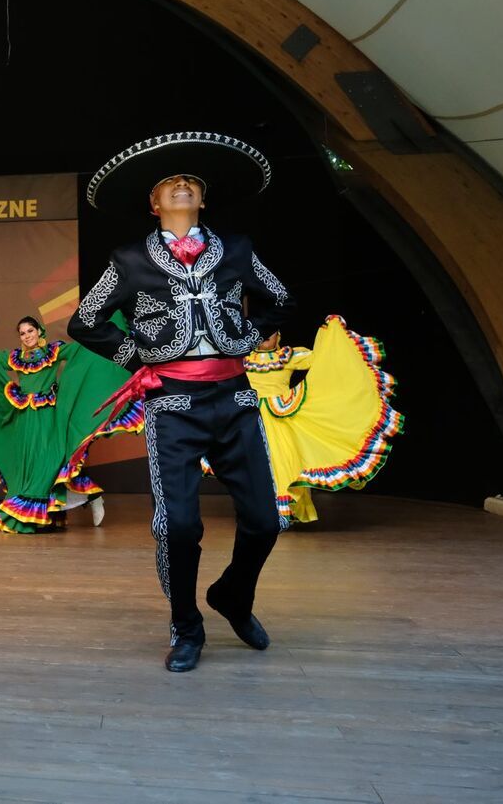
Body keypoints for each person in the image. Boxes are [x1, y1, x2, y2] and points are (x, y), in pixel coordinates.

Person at [69, 132, 294, 672]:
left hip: (235, 397)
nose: (182, 186)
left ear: (203, 198)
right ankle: (186, 626)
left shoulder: (236, 249)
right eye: (170, 182)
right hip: (171, 402)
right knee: (179, 526)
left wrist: (246, 334)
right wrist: (137, 359)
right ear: (153, 203)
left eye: (191, 181)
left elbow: (278, 296)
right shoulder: (128, 260)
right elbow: (84, 321)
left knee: (266, 520)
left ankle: (233, 597)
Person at [0, 313, 141, 533]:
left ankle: (88, 497)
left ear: (39, 330)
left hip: (49, 416)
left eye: (30, 330)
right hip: (25, 419)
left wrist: (108, 323)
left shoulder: (53, 351)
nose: (27, 336)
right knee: (32, 465)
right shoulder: (14, 357)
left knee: (50, 462)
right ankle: (85, 497)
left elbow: (83, 350)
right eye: (22, 333)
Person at [241, 317, 404, 524]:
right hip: (251, 419)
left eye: (269, 332)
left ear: (278, 335)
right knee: (253, 465)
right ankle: (257, 511)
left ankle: (283, 511)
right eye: (260, 332)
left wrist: (332, 335)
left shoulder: (288, 356)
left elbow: (323, 359)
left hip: (281, 420)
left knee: (285, 464)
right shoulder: (242, 359)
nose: (264, 337)